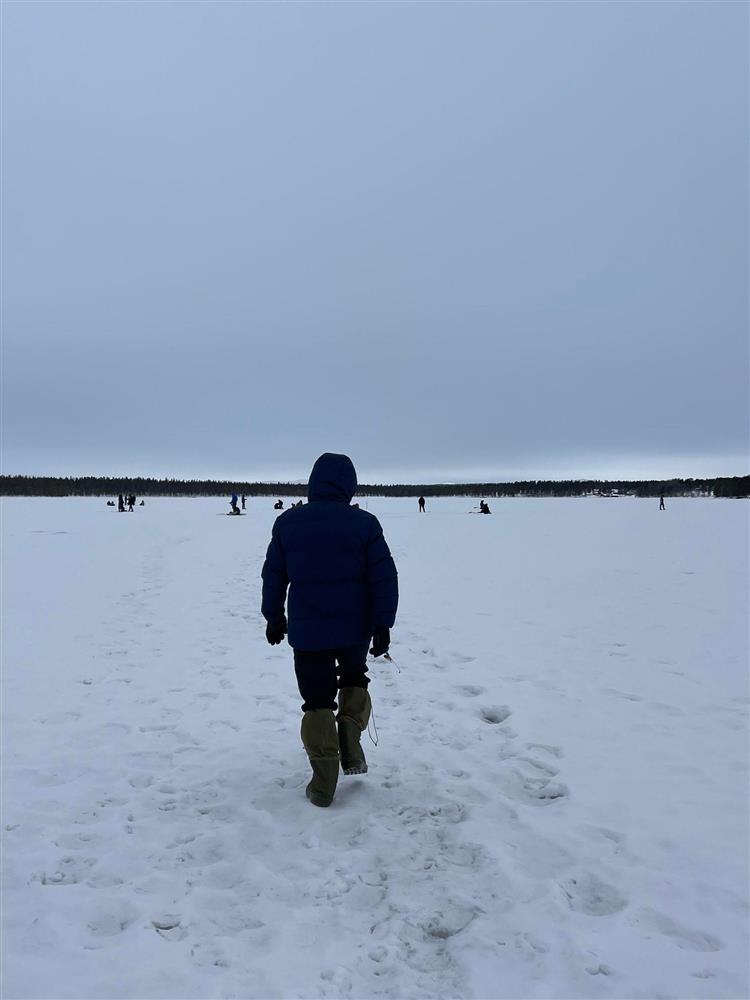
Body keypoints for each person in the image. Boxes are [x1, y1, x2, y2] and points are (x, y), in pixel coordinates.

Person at [261, 453, 398, 808]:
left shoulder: (288, 523)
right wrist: (383, 623)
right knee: (354, 677)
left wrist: (273, 617)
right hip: (355, 628)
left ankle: (323, 783)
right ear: (349, 487)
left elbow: (274, 576)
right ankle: (350, 740)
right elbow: (384, 577)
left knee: (317, 700)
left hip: (308, 633)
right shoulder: (365, 524)